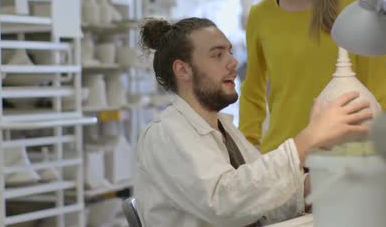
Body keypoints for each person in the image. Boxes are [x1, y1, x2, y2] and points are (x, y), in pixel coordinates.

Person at [134, 17, 373, 226]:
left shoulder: (224, 128)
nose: (233, 62)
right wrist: (306, 141)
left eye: (229, 51)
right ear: (183, 70)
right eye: (217, 55)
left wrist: (328, 175)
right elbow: (225, 203)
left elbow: (262, 201)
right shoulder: (165, 134)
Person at [238, 0, 386, 153]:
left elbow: (379, 78)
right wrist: (248, 146)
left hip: (348, 145)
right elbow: (252, 89)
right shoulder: (260, 16)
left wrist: (385, 137)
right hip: (286, 150)